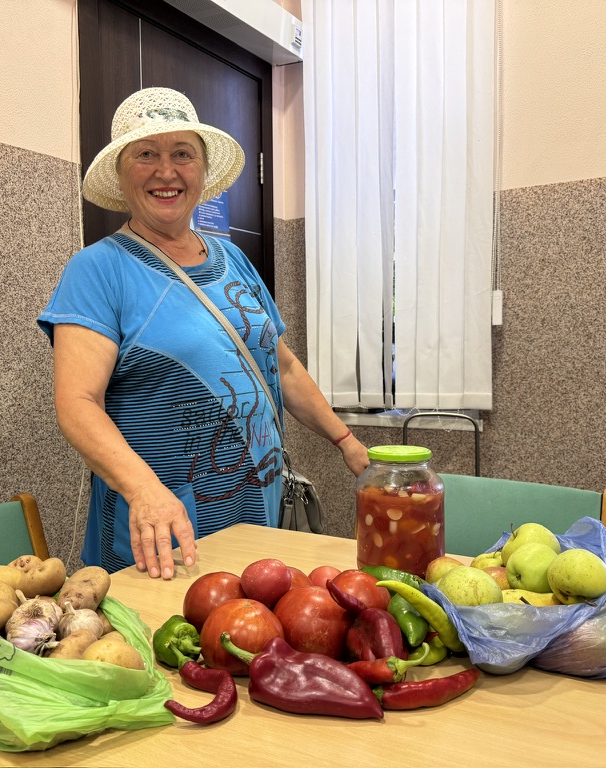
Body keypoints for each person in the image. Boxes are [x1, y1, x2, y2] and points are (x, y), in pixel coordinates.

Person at [38, 87, 368, 580]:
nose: (166, 171)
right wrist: (144, 491)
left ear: (201, 170)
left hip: (258, 512)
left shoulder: (233, 258)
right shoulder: (98, 270)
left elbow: (282, 366)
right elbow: (77, 403)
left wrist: (346, 441)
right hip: (163, 531)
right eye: (146, 154)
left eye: (182, 155)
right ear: (122, 175)